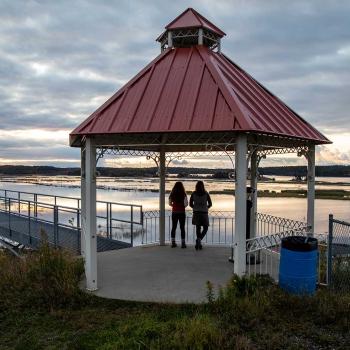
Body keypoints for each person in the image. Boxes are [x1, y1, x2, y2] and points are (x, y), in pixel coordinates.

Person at [190, 181, 212, 250]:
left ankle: (198, 241)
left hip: (196, 213)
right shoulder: (206, 193)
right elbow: (210, 204)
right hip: (204, 213)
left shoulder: (193, 193)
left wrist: (195, 207)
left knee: (198, 228)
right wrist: (206, 207)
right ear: (203, 186)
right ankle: (199, 240)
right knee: (205, 228)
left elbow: (190, 204)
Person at [168, 181, 188, 248]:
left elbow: (170, 203)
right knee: (182, 228)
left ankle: (173, 243)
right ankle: (183, 243)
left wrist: (174, 206)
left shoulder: (172, 194)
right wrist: (181, 206)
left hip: (174, 212)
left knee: (174, 227)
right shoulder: (184, 194)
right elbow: (186, 204)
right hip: (182, 212)